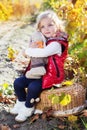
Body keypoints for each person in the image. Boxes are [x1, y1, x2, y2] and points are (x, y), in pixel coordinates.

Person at [10, 10, 68, 122]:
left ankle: (28, 108)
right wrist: (31, 47)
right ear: (39, 29)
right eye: (43, 27)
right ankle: (21, 102)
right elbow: (34, 56)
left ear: (58, 26)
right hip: (39, 73)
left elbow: (43, 53)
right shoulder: (44, 40)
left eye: (50, 25)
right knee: (18, 83)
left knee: (33, 87)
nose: (46, 29)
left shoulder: (57, 43)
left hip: (52, 76)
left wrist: (28, 50)